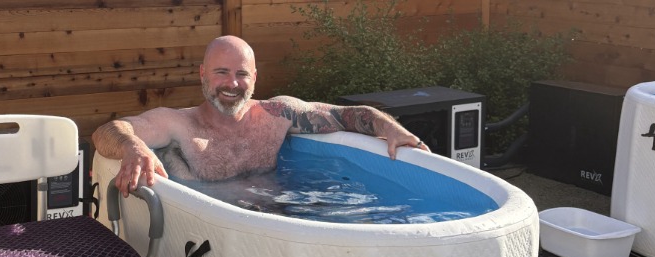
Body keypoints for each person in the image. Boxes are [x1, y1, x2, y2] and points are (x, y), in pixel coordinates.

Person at [92, 35, 429, 196]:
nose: (232, 84)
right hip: (206, 234)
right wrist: (134, 148)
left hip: (281, 217)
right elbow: (108, 131)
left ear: (255, 78)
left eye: (242, 74)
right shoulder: (178, 123)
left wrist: (388, 127)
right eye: (221, 72)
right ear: (202, 74)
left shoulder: (277, 115)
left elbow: (347, 116)